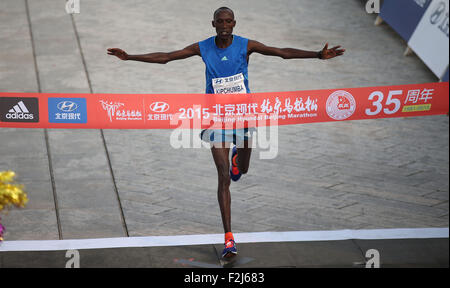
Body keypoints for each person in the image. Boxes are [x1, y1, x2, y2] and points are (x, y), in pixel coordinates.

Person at [107, 6, 345, 258]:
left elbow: (282, 53)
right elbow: (166, 57)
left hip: (243, 115)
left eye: (228, 21)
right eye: (219, 21)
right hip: (215, 118)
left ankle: (237, 161)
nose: (223, 25)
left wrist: (318, 55)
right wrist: (129, 56)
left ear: (234, 24)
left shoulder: (246, 45)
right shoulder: (203, 47)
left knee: (242, 169)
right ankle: (229, 239)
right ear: (213, 24)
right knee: (223, 177)